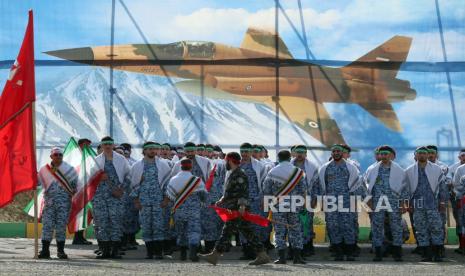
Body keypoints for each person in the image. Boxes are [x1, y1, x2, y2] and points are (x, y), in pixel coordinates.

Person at [199, 152, 271, 265]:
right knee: (248, 232)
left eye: (226, 160)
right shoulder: (232, 173)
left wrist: (242, 206)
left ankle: (214, 255)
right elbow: (230, 190)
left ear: (230, 161)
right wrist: (222, 200)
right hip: (233, 207)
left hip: (237, 209)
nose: (224, 163)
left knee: (226, 232)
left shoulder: (240, 174)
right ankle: (262, 255)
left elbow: (243, 192)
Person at [313, 144, 365, 261]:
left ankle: (350, 252)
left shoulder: (350, 167)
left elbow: (358, 185)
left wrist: (360, 200)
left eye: (338, 151)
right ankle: (338, 252)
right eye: (334, 151)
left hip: (348, 202)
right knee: (332, 226)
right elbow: (320, 186)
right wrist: (320, 201)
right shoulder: (325, 168)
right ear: (331, 154)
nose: (336, 153)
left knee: (348, 226)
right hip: (330, 202)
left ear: (342, 153)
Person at [364, 145, 407, 262]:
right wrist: (369, 201)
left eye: (386, 154)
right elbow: (366, 187)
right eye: (381, 154)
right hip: (378, 203)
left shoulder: (399, 170)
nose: (383, 156)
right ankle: (378, 253)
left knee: (396, 227)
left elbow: (404, 188)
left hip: (394, 202)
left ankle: (397, 253)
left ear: (391, 156)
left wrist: (403, 203)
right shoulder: (372, 170)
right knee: (377, 227)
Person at [263, 150, 307, 264]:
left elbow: (266, 190)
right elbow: (303, 190)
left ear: (278, 158)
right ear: (289, 158)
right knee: (296, 230)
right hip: (294, 206)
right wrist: (303, 205)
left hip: (278, 207)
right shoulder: (298, 171)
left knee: (279, 231)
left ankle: (281, 258)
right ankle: (297, 257)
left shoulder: (272, 172)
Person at [405, 146, 447, 262]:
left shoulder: (437, 169)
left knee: (436, 228)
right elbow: (406, 189)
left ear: (428, 155)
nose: (422, 155)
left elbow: (442, 187)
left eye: (424, 153)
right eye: (420, 153)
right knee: (421, 229)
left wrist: (443, 201)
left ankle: (438, 253)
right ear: (416, 155)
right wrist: (407, 203)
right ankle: (426, 254)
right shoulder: (409, 171)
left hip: (432, 204)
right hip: (417, 205)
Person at [130, 141, 171, 259]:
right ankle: (150, 252)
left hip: (159, 201)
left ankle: (158, 252)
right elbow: (133, 184)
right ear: (144, 151)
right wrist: (136, 201)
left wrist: (166, 199)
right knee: (146, 226)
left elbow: (168, 184)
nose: (152, 151)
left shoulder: (163, 165)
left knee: (159, 226)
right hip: (144, 202)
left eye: (154, 148)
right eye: (150, 149)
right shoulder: (137, 166)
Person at [93, 136, 130, 259]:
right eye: (105, 144)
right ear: (102, 146)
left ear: (113, 145)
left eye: (110, 144)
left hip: (116, 197)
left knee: (116, 222)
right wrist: (98, 177)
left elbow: (129, 176)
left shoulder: (121, 159)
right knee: (102, 222)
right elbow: (89, 178)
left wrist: (121, 189)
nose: (108, 146)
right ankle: (105, 250)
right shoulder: (96, 160)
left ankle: (115, 250)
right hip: (100, 197)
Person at [163, 158, 207, 261]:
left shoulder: (174, 179)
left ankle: (182, 254)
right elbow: (204, 195)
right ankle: (193, 253)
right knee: (194, 231)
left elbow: (169, 195)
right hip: (194, 210)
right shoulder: (197, 180)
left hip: (179, 209)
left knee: (181, 231)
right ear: (191, 166)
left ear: (180, 166)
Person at [38, 147, 78, 259]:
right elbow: (37, 182)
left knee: (61, 227)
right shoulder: (44, 170)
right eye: (56, 155)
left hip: (64, 204)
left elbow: (76, 185)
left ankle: (61, 251)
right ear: (51, 156)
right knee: (47, 227)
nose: (58, 157)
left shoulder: (69, 169)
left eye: (60, 155)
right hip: (49, 203)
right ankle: (45, 251)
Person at [238, 143, 269, 259]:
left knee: (256, 226)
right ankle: (246, 251)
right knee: (243, 226)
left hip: (255, 200)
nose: (244, 154)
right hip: (240, 201)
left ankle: (257, 252)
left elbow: (264, 185)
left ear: (251, 152)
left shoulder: (259, 166)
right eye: (242, 151)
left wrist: (263, 199)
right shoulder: (237, 165)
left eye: (247, 151)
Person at [291, 145, 319, 257]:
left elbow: (317, 185)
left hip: (307, 201)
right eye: (298, 152)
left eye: (302, 152)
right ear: (294, 153)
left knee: (306, 223)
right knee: (293, 223)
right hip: (292, 201)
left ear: (306, 154)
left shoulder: (312, 167)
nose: (300, 154)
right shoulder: (289, 166)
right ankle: (294, 248)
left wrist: (315, 200)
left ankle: (307, 246)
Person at [71, 138, 93, 246]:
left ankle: (81, 237)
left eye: (89, 145)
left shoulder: (88, 158)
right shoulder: (75, 158)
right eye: (85, 145)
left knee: (85, 215)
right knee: (78, 215)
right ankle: (77, 237)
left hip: (86, 190)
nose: (87, 147)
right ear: (80, 145)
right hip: (78, 191)